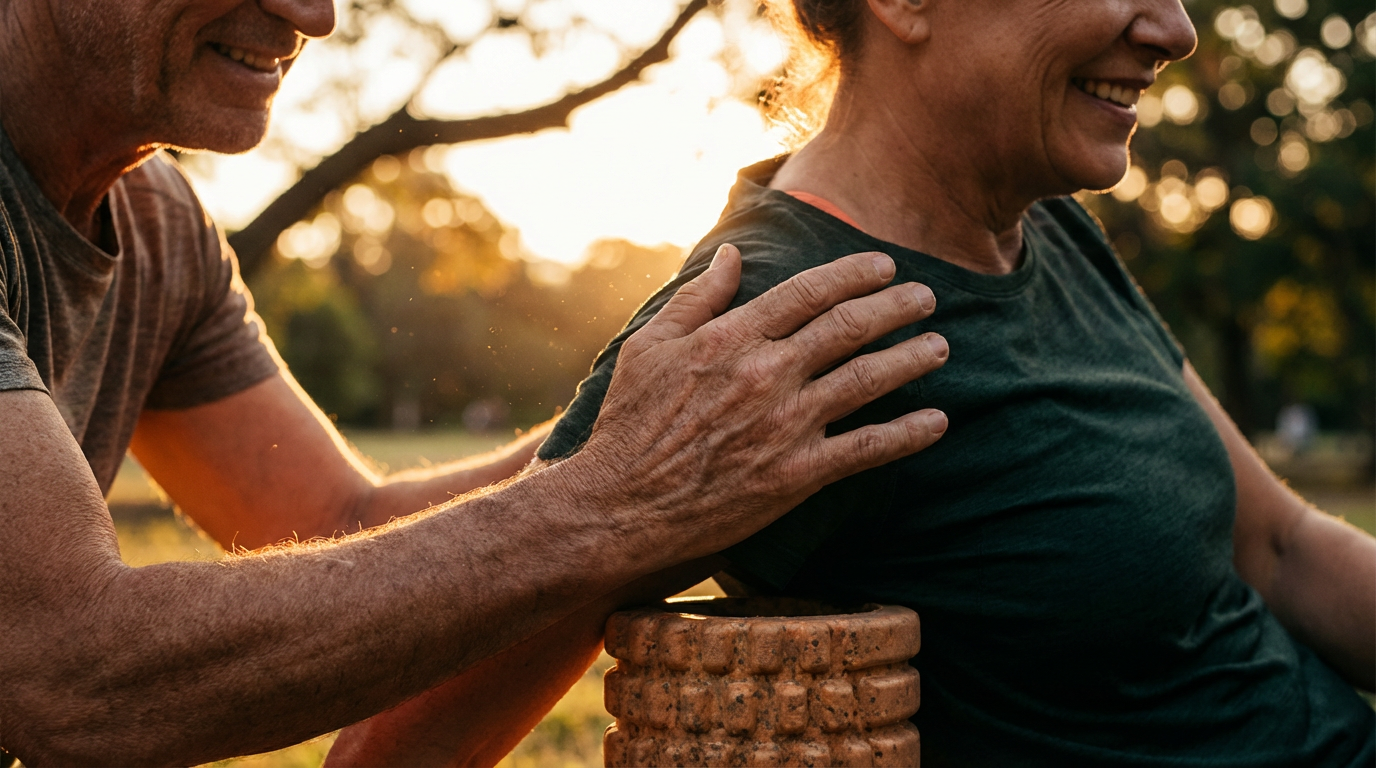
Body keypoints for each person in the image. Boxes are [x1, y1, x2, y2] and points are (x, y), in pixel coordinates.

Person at [338, 0, 1376, 764]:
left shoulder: (1043, 222)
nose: (1176, 29)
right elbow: (400, 750)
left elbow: (1278, 548)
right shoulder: (770, 319)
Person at [0, 0, 955, 765]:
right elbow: (69, 676)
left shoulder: (157, 222)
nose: (315, 16)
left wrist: (648, 426)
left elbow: (335, 518)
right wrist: (615, 499)